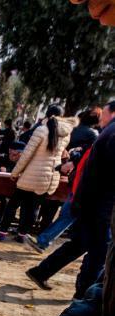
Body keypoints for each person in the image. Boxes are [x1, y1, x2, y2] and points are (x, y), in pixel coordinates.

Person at [25, 101, 115, 297]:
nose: (101, 117)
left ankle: (41, 271)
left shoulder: (103, 134)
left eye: (104, 113)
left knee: (80, 243)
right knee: (98, 253)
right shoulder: (104, 134)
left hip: (88, 200)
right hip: (100, 207)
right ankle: (83, 296)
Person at [0, 105, 74, 243]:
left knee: (13, 204)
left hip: (32, 175)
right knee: (33, 207)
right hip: (49, 177)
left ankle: (1, 233)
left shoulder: (41, 130)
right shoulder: (65, 134)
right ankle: (22, 235)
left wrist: (15, 173)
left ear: (47, 115)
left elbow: (27, 154)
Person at [25, 107, 101, 253]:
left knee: (68, 214)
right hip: (79, 180)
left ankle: (44, 241)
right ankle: (44, 241)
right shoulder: (95, 135)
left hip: (81, 182)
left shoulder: (95, 135)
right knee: (68, 215)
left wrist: (72, 161)